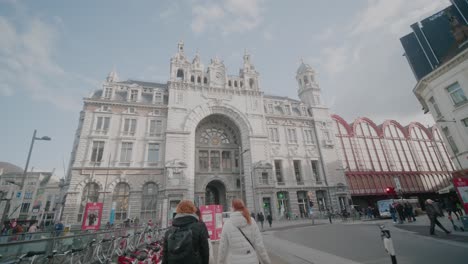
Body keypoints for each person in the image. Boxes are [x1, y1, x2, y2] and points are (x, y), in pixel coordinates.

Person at [218, 199, 271, 264]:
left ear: (233, 208)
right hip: (252, 260)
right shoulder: (251, 221)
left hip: (234, 261)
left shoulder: (227, 224)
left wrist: (220, 262)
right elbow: (260, 246)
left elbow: (222, 248)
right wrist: (267, 261)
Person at [162, 200, 209, 264]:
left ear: (178, 210)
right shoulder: (199, 227)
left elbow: (165, 257)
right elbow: (205, 252)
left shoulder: (169, 232)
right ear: (193, 210)